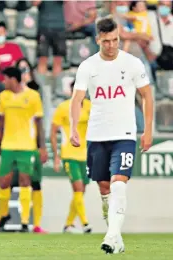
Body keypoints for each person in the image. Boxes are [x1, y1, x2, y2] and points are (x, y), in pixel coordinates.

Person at [70, 17, 153, 254]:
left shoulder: (133, 63)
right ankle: (116, 239)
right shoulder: (88, 66)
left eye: (115, 40)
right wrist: (74, 127)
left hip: (124, 134)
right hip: (97, 135)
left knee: (119, 185)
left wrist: (147, 130)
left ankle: (111, 235)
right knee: (104, 189)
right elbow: (77, 99)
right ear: (98, 39)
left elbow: (147, 96)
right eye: (106, 41)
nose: (111, 45)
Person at [0, 67, 48, 233]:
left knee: (25, 181)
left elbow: (39, 124)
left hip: (26, 146)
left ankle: (24, 222)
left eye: (5, 79)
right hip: (8, 145)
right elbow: (1, 123)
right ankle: (4, 215)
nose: (3, 82)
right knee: (3, 182)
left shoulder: (33, 96)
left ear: (13, 79)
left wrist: (42, 147)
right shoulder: (4, 96)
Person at [51, 81, 92, 234]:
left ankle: (68, 224)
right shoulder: (63, 107)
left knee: (81, 192)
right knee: (78, 188)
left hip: (86, 155)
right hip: (69, 154)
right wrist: (56, 156)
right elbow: (53, 132)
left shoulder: (90, 106)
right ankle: (85, 223)